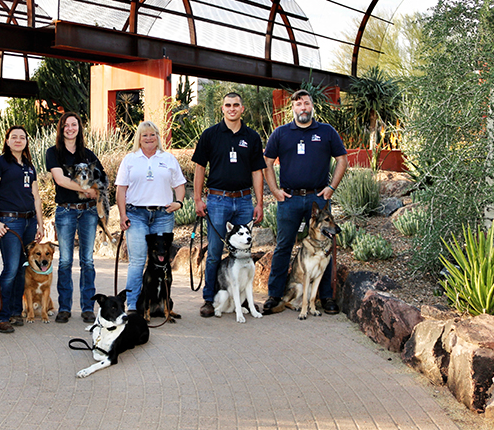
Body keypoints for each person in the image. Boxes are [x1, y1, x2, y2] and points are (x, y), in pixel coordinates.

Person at [263, 89, 348, 315]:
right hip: (289, 199)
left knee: (326, 247)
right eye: (299, 104)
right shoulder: (281, 133)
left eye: (307, 103)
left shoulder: (326, 131)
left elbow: (342, 160)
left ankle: (326, 298)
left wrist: (331, 188)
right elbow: (267, 162)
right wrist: (274, 190)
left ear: (312, 107)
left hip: (317, 199)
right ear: (292, 108)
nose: (303, 108)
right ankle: (275, 294)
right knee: (284, 246)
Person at [192, 92, 265, 318]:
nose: (232, 108)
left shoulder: (252, 137)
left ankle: (242, 301)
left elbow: (257, 171)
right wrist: (197, 199)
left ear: (242, 108)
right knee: (214, 252)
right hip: (217, 201)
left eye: (236, 105)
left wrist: (259, 202)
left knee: (243, 252)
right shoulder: (210, 135)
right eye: (227, 105)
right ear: (222, 108)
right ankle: (209, 299)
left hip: (244, 200)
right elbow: (199, 168)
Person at [115, 121, 187, 313]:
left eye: (152, 134)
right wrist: (122, 215)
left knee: (161, 263)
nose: (149, 138)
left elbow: (179, 185)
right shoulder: (130, 159)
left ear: (158, 137)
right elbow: (121, 190)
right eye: (144, 135)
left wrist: (178, 202)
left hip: (163, 215)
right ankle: (132, 305)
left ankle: (161, 305)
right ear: (139, 138)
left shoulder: (168, 159)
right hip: (136, 215)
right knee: (138, 261)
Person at [45, 112, 106, 324]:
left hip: (89, 212)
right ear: (61, 129)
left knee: (87, 261)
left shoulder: (88, 155)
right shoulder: (53, 153)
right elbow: (60, 180)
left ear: (79, 128)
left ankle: (88, 308)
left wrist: (95, 192)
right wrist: (86, 188)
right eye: (66, 125)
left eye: (74, 124)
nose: (70, 128)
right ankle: (64, 308)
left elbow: (102, 177)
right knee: (65, 261)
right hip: (66, 211)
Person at [0, 126, 45, 334]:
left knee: (22, 268)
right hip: (9, 222)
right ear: (7, 141)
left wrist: (41, 224)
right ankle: (0, 315)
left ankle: (15, 311)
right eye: (14, 137)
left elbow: (36, 197)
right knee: (9, 269)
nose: (18, 140)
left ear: (26, 141)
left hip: (29, 223)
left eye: (22, 137)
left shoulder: (28, 166)